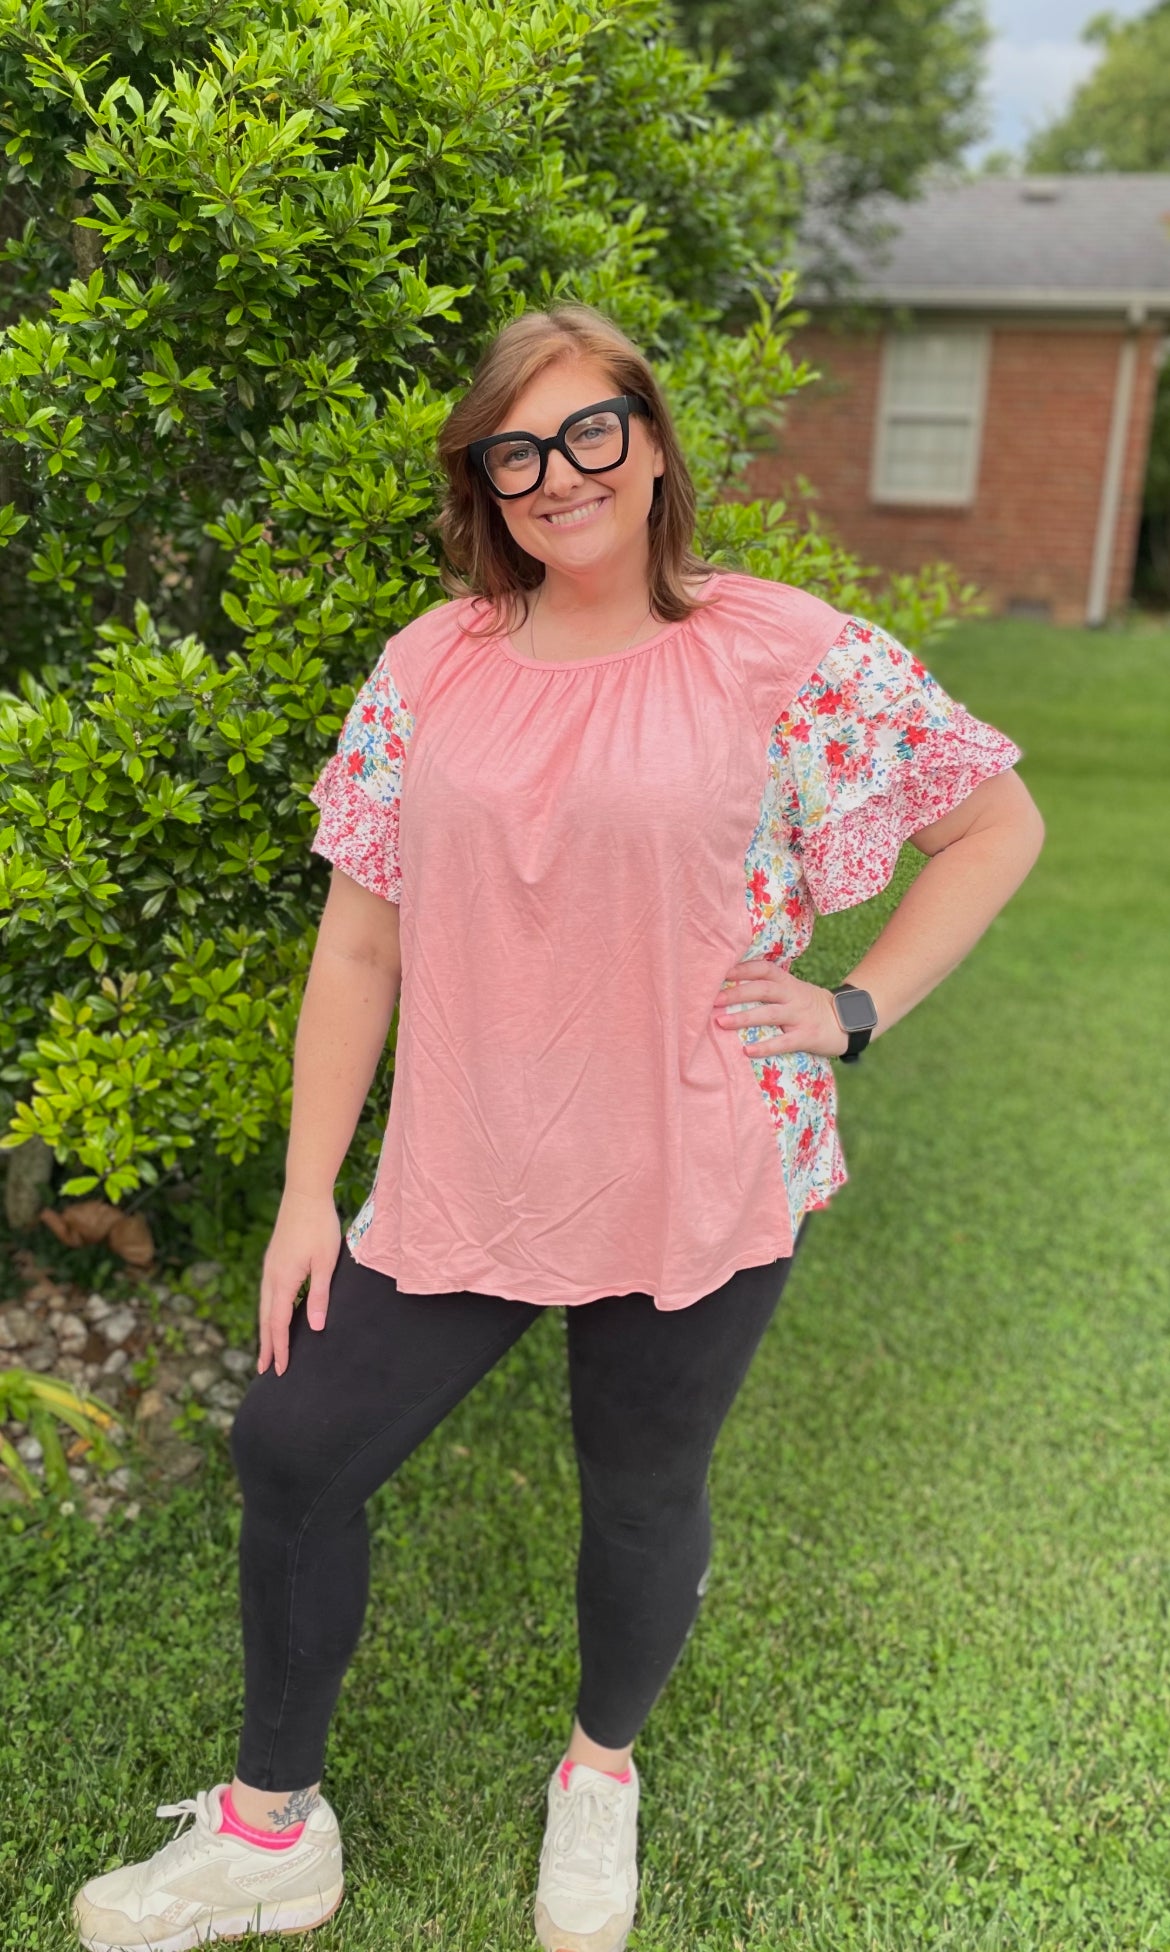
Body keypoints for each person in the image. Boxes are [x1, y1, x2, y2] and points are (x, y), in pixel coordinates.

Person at [71, 303, 1044, 1952]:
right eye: (514, 449)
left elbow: (992, 822)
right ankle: (268, 1835)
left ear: (653, 443)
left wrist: (850, 1006)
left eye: (592, 430)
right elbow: (360, 941)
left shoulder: (780, 650)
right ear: (484, 477)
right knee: (293, 1448)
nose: (557, 474)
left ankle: (599, 1774)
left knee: (642, 1490)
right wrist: (311, 1190)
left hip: (695, 1159)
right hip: (469, 1162)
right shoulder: (428, 665)